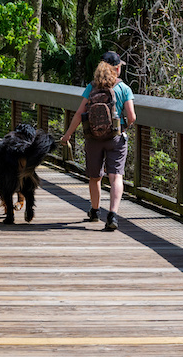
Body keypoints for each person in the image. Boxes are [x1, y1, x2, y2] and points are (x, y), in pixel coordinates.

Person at [61, 51, 136, 231]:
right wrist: (122, 127)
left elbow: (80, 113)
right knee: (116, 176)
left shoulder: (91, 87)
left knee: (95, 177)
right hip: (115, 138)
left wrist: (68, 135)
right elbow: (132, 116)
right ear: (117, 68)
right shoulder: (124, 88)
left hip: (93, 138)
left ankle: (95, 211)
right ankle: (112, 214)